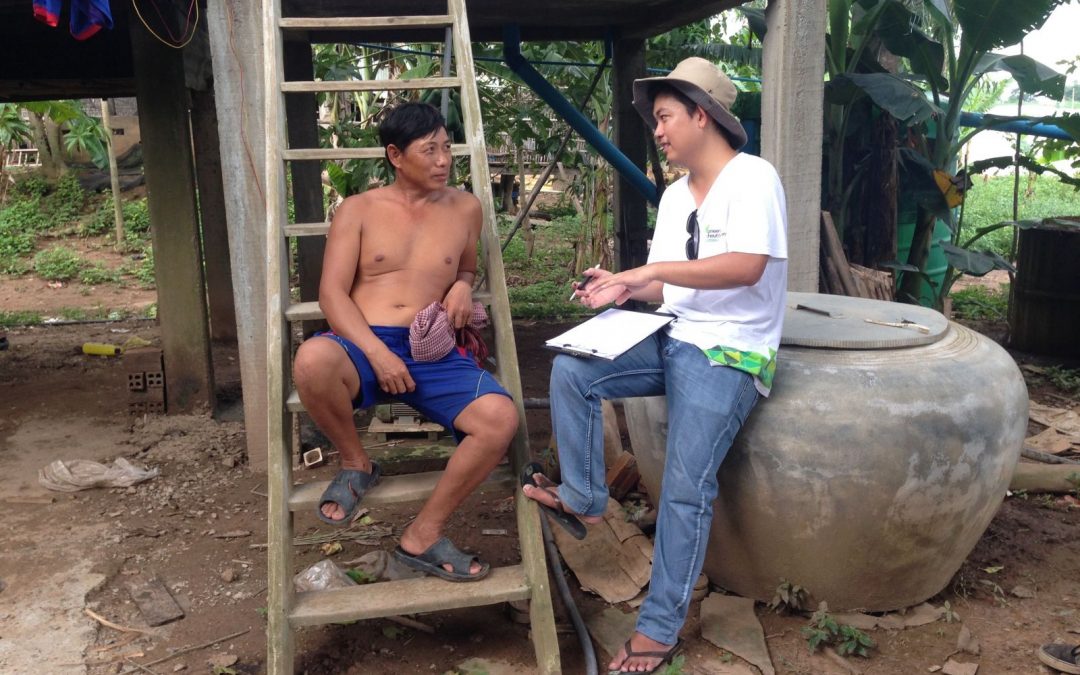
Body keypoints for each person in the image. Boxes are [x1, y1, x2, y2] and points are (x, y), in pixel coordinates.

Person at [522, 57, 788, 673]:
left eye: (666, 117)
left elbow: (746, 267)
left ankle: (660, 629)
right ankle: (586, 496)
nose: (658, 131)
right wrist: (621, 288)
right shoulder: (673, 196)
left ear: (703, 114)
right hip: (674, 333)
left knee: (684, 491)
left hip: (730, 350)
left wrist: (652, 273)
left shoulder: (754, 178)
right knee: (573, 369)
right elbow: (668, 290)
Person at [292, 102, 518, 582]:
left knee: (500, 419)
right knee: (312, 360)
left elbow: (466, 266)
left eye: (446, 148)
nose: (442, 160)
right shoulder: (358, 210)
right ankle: (357, 461)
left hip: (430, 349)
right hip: (362, 343)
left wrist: (461, 286)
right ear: (396, 154)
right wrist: (375, 351)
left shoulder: (466, 208)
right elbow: (331, 294)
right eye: (429, 150)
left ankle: (422, 535)